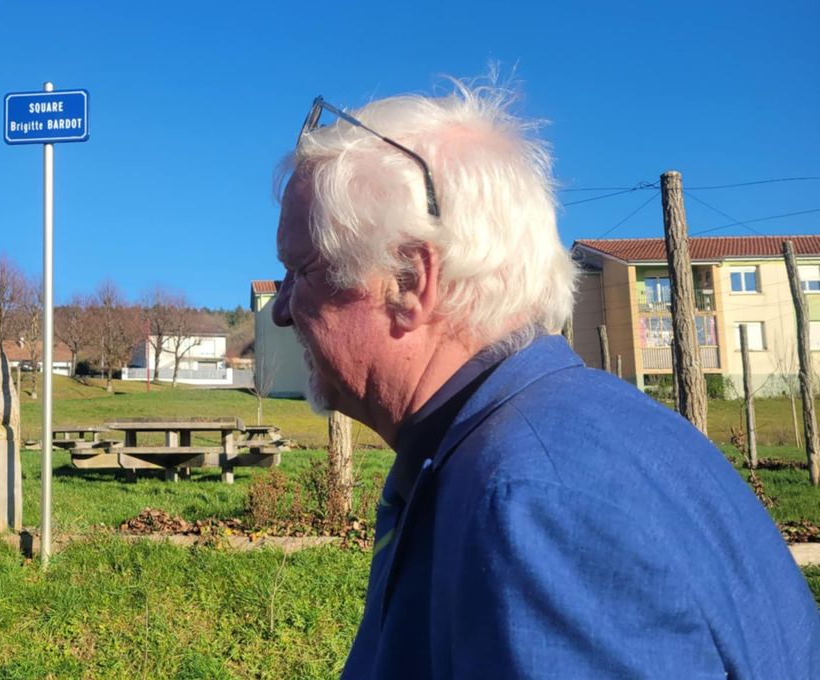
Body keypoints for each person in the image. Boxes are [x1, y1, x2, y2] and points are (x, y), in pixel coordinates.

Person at [272, 81, 820, 678]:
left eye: (300, 271)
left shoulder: (530, 502)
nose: (280, 309)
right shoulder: (569, 436)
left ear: (408, 279)